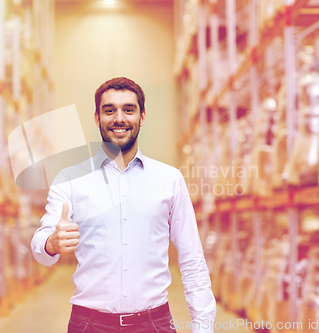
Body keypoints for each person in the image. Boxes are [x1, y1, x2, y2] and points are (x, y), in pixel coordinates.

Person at [31, 77, 216, 333]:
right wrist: (51, 243)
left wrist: (203, 327)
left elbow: (191, 258)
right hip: (89, 325)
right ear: (97, 117)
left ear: (142, 116)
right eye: (109, 110)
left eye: (128, 109)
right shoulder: (70, 179)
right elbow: (40, 247)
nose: (119, 118)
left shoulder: (169, 179)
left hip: (155, 324)